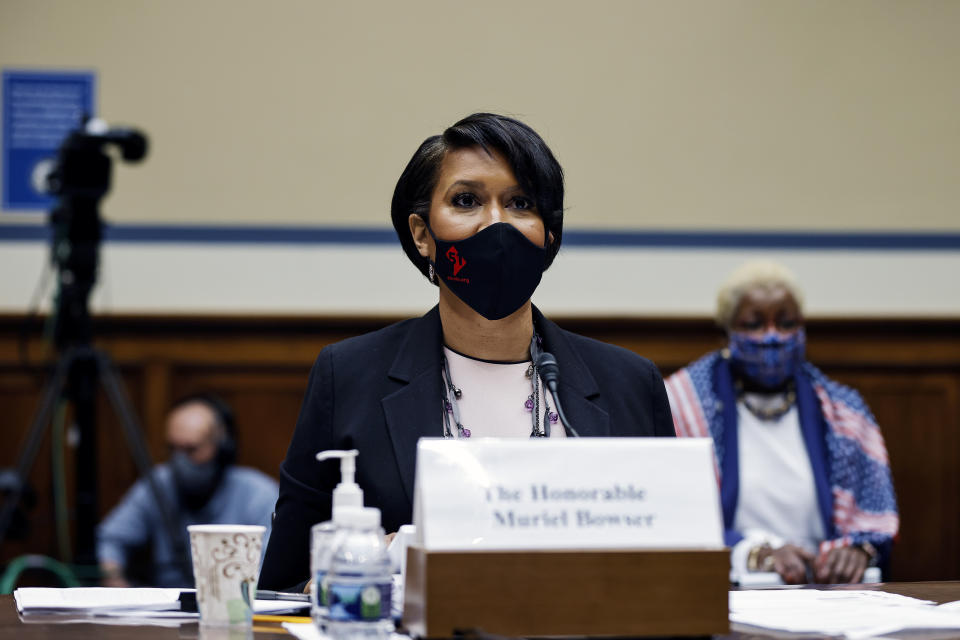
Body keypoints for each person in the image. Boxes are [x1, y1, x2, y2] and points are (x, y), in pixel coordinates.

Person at [259, 113, 675, 591]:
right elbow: (284, 588)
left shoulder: (631, 383)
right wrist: (375, 560)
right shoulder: (348, 375)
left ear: (550, 235)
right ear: (421, 234)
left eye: (520, 203)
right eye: (466, 201)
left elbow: (674, 573)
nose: (495, 224)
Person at [666, 260, 898, 584]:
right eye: (754, 324)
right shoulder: (680, 404)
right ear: (725, 334)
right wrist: (752, 552)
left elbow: (872, 527)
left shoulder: (843, 411)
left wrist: (859, 550)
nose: (772, 337)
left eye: (786, 323)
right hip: (728, 588)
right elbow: (673, 518)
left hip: (826, 592)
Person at [97, 393, 278, 587]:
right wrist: (115, 579)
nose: (180, 461)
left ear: (223, 448)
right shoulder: (158, 484)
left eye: (191, 449)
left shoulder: (259, 494)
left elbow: (269, 569)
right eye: (173, 449)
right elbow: (112, 538)